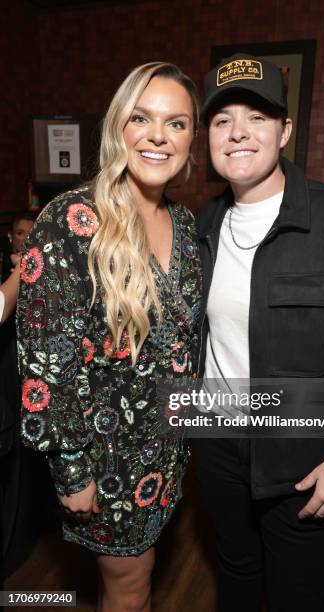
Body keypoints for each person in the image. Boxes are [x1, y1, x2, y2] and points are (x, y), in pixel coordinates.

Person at [193, 54, 324, 611]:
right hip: (216, 443)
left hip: (306, 456)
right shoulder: (201, 225)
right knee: (235, 573)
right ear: (208, 138)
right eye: (222, 120)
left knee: (297, 596)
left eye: (257, 117)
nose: (238, 132)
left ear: (285, 130)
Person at [17, 62, 201, 612]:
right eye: (141, 118)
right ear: (117, 126)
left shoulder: (188, 227)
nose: (157, 136)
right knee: (131, 585)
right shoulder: (69, 221)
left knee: (134, 577)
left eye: (177, 123)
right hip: (106, 457)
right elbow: (47, 366)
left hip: (166, 450)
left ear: (192, 137)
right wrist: (72, 470)